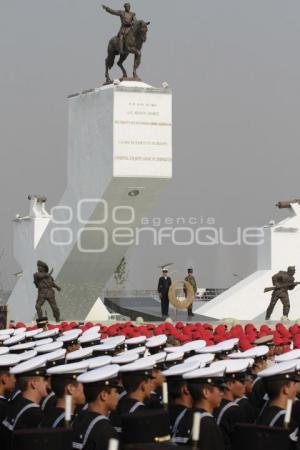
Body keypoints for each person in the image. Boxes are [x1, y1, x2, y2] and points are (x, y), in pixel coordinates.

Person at [171, 366, 225, 450]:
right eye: (220, 389)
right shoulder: (207, 423)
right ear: (206, 392)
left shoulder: (183, 415)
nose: (222, 393)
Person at [2, 356, 48, 449]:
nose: (47, 383)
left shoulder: (17, 404)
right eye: (45, 379)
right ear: (34, 383)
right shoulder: (33, 414)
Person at [72, 365, 120, 450]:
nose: (118, 396)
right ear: (104, 395)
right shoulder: (106, 431)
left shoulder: (78, 418)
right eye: (116, 392)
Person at [256, 362, 299, 445]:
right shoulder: (284, 420)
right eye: (294, 383)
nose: (296, 388)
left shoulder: (265, 411)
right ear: (286, 389)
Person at [40, 362, 86, 428]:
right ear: (70, 388)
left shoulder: (48, 414)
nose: (86, 389)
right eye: (83, 384)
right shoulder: (69, 423)